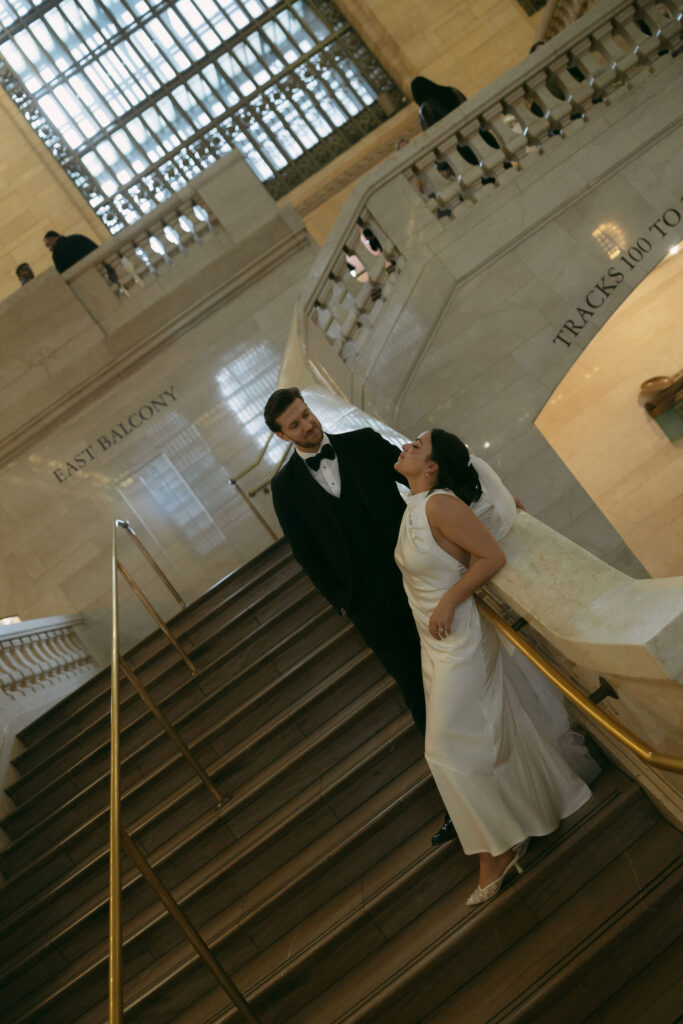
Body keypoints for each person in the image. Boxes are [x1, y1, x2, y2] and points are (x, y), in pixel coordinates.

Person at [394, 428, 596, 904]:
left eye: (417, 447)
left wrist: (447, 602)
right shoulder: (415, 507)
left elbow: (491, 556)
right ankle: (527, 814)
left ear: (432, 467)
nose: (405, 447)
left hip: (461, 635)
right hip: (436, 644)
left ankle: (498, 850)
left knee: (445, 747)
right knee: (485, 734)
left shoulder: (441, 504)